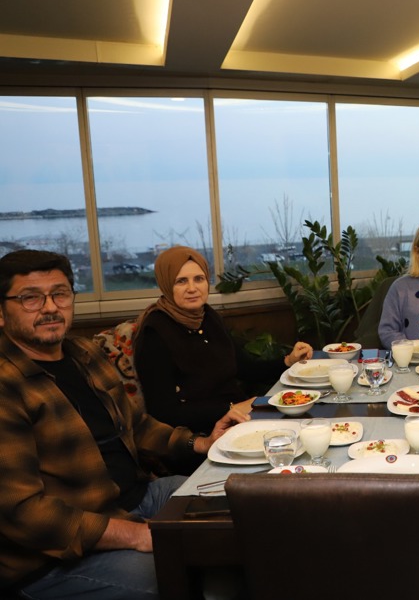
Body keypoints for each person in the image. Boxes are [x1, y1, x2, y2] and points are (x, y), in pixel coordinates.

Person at [0, 249, 247, 598]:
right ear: (1, 312)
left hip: (138, 497)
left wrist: (201, 443)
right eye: (30, 298)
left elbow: (137, 425)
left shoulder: (83, 354)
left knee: (241, 503)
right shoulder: (7, 386)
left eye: (60, 294)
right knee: (173, 570)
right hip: (55, 557)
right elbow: (23, 513)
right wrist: (135, 534)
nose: (50, 307)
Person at [133, 246, 312, 433]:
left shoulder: (208, 317)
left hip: (240, 417)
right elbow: (164, 413)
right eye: (181, 281)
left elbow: (245, 368)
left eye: (199, 279)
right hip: (202, 434)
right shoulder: (155, 333)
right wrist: (230, 409)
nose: (192, 288)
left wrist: (288, 361)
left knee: (309, 423)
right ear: (166, 284)